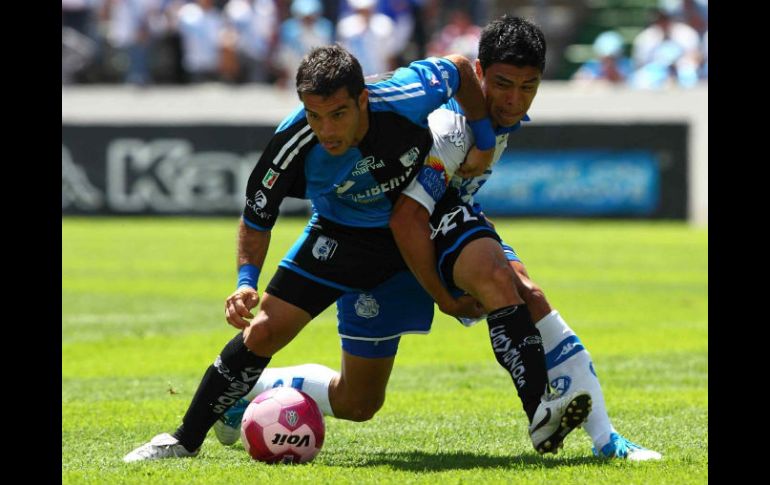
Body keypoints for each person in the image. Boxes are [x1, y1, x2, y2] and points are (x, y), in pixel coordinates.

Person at [215, 15, 661, 461]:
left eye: (528, 87)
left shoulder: (492, 118)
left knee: (522, 296)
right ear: (482, 75)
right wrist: (443, 297)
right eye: (503, 84)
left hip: (444, 219)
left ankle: (600, 438)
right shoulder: (451, 129)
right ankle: (567, 422)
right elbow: (409, 216)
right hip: (393, 237)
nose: (514, 98)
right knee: (362, 397)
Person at [123, 43, 529, 462]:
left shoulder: (406, 95)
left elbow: (461, 70)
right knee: (264, 329)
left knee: (359, 405)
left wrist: (482, 140)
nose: (327, 130)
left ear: (362, 98)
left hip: (412, 234)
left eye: (338, 114)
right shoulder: (291, 143)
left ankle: (256, 388)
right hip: (339, 235)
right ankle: (182, 440)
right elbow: (257, 218)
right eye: (315, 116)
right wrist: (246, 284)